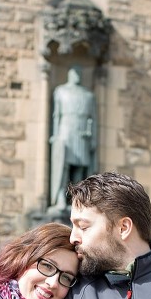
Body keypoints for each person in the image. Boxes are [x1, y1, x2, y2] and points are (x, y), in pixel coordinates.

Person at [49, 66, 97, 209]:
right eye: (74, 72)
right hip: (66, 130)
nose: (77, 75)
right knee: (63, 166)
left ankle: (76, 199)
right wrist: (56, 134)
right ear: (69, 73)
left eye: (79, 72)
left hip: (82, 133)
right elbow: (56, 115)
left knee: (80, 168)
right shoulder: (61, 91)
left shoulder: (88, 95)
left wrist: (93, 138)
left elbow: (93, 118)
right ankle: (60, 198)